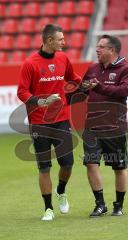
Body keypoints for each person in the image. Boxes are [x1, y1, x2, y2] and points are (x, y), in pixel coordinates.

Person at [17, 24, 81, 221]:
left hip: (61, 120)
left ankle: (61, 191)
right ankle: (48, 208)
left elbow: (74, 78)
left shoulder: (63, 58)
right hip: (39, 123)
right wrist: (40, 101)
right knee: (44, 168)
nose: (64, 42)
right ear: (49, 41)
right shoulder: (30, 64)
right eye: (61, 39)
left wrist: (86, 83)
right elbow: (22, 92)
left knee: (68, 164)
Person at [80, 35, 128, 217]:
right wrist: (77, 88)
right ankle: (100, 204)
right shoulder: (92, 68)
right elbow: (83, 90)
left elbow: (123, 92)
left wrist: (99, 87)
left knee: (119, 168)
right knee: (91, 164)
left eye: (101, 47)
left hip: (114, 128)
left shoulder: (126, 69)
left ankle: (119, 205)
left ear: (112, 50)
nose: (97, 49)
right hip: (92, 128)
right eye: (97, 46)